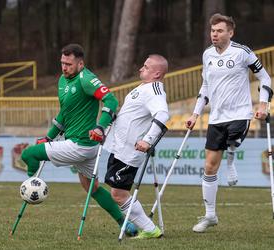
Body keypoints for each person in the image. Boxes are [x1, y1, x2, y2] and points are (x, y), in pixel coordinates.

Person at [21, 43, 137, 236]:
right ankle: (125, 224)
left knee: (29, 154)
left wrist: (100, 126)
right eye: (62, 63)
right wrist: (48, 137)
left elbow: (111, 101)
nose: (64, 67)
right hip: (84, 147)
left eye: (69, 64)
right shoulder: (62, 80)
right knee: (93, 188)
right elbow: (64, 115)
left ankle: (31, 185)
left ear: (80, 64)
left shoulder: (87, 79)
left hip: (80, 144)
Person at [185, 13, 272, 233]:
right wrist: (195, 114)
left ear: (230, 33)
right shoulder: (207, 55)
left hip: (240, 113)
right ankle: (210, 216)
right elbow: (205, 87)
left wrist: (263, 104)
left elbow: (265, 78)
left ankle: (231, 160)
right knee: (209, 167)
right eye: (212, 31)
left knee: (233, 138)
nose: (214, 35)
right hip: (216, 117)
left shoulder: (243, 52)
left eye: (219, 31)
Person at [103, 54, 169, 239]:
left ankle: (150, 229)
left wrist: (148, 140)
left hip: (130, 152)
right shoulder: (143, 87)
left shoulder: (155, 90)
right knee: (117, 192)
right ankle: (150, 229)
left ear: (156, 73)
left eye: (146, 67)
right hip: (119, 148)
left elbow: (163, 114)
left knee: (118, 194)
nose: (141, 69)